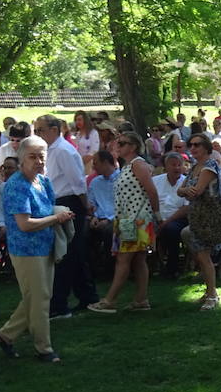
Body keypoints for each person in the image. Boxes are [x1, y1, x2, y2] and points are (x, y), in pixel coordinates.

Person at [0, 135, 73, 363]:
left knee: (36, 297)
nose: (38, 161)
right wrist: (56, 218)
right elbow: (24, 224)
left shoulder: (43, 181)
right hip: (25, 249)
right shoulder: (17, 185)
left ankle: (5, 335)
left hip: (45, 245)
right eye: (32, 156)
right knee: (40, 299)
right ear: (21, 158)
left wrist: (57, 215)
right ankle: (44, 349)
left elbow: (46, 210)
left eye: (41, 156)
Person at [88, 131, 160, 313]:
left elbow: (152, 191)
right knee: (138, 260)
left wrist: (157, 215)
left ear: (133, 147)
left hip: (136, 219)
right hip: (129, 219)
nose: (118, 147)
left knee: (123, 259)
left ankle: (110, 300)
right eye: (117, 143)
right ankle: (141, 299)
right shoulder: (128, 166)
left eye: (123, 143)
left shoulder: (138, 165)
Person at [37, 115, 99, 318]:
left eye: (41, 130)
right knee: (74, 253)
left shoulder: (63, 150)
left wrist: (84, 205)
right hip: (59, 202)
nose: (38, 134)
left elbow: (77, 183)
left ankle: (59, 304)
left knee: (65, 254)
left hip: (69, 203)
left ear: (54, 129)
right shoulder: (51, 150)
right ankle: (87, 296)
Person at [178, 133, 221, 310]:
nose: (193, 148)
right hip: (196, 215)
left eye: (197, 145)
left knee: (204, 255)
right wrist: (187, 190)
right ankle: (209, 291)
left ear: (206, 147)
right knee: (202, 256)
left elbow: (197, 191)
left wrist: (187, 190)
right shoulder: (195, 167)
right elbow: (181, 190)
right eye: (191, 145)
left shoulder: (209, 166)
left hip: (209, 217)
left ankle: (212, 296)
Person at [153, 152, 191, 279]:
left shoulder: (186, 182)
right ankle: (148, 266)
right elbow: (150, 201)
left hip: (178, 219)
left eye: (179, 165)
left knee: (171, 230)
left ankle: (171, 268)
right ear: (166, 166)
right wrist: (159, 219)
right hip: (157, 217)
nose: (177, 168)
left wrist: (166, 222)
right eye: (173, 165)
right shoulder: (156, 181)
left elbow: (186, 208)